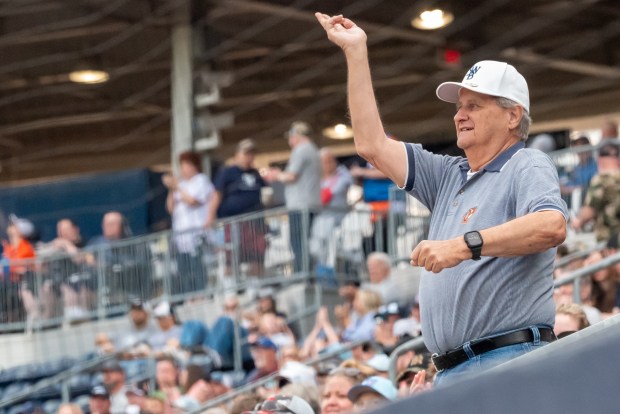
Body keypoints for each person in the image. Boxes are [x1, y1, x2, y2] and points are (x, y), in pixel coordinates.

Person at [316, 14, 567, 386]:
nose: (459, 115)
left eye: (474, 106)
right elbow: (371, 145)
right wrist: (356, 52)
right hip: (453, 371)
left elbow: (551, 225)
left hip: (507, 361)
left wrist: (464, 245)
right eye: (459, 106)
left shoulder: (525, 162)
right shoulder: (450, 173)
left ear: (513, 116)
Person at [207, 138, 268, 277]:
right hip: (234, 223)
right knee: (231, 257)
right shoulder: (228, 172)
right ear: (237, 154)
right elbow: (217, 194)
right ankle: (231, 290)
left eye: (251, 154)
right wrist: (210, 216)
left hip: (255, 223)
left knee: (256, 257)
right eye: (246, 153)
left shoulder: (256, 174)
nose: (249, 157)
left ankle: (256, 287)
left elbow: (266, 192)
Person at [267, 121, 321, 273]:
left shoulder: (301, 150)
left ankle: (302, 273)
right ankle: (308, 272)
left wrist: (276, 175)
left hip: (300, 205)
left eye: (291, 136)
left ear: (296, 135)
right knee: (306, 241)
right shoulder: (314, 150)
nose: (290, 141)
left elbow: (291, 176)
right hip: (311, 204)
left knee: (298, 241)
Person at [163, 150, 215, 293]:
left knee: (198, 265)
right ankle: (188, 294)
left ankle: (201, 292)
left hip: (196, 233)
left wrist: (177, 186)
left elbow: (193, 201)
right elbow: (170, 208)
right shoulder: (181, 185)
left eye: (186, 165)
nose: (183, 169)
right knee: (183, 268)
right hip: (181, 237)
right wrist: (171, 189)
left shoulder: (201, 180)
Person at [572, 142, 620, 241]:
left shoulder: (602, 179)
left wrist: (578, 221)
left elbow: (590, 209)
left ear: (600, 160)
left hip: (611, 243)